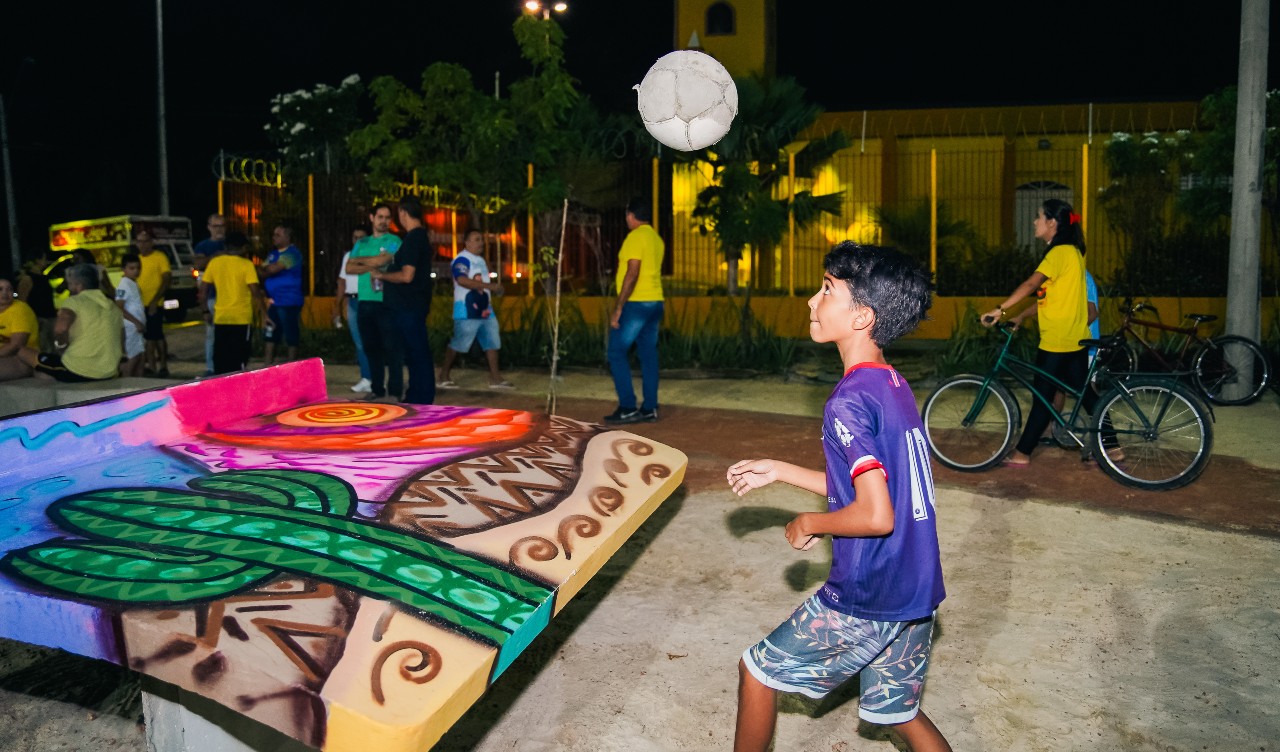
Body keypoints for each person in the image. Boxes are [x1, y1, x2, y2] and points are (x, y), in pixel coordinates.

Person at [726, 242, 949, 752]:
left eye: (827, 290)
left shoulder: (847, 401)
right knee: (899, 713)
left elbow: (875, 514)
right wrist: (780, 470)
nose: (812, 300)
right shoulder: (891, 384)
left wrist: (809, 522)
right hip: (916, 589)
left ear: (861, 317)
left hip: (870, 594)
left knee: (757, 674)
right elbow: (873, 486)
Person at [981, 199, 1092, 466]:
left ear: (1052, 223)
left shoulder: (1058, 253)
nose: (1035, 221)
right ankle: (1113, 447)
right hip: (1073, 336)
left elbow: (1032, 283)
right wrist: (1020, 316)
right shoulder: (1073, 252)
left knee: (1043, 395)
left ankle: (1023, 452)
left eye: (1039, 216)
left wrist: (1000, 310)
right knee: (1088, 395)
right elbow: (1048, 298)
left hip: (1057, 340)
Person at [603, 196, 664, 425]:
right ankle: (650, 408)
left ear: (631, 215)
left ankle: (628, 407)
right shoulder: (656, 239)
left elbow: (633, 272)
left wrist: (619, 307)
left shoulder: (635, 237)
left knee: (616, 352)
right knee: (648, 356)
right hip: (655, 302)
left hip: (636, 304)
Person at [370, 196, 435, 405]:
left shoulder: (414, 238)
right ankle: (417, 394)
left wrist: (382, 276)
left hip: (409, 307)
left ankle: (421, 397)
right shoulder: (418, 237)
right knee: (415, 353)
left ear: (403, 213)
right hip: (411, 306)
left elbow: (407, 275)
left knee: (417, 353)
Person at [435, 229, 513, 390]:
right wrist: (489, 286)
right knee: (459, 343)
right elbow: (462, 280)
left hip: (485, 310)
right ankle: (443, 375)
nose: (480, 243)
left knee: (492, 342)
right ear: (467, 242)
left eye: (481, 240)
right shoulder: (462, 260)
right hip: (467, 310)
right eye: (476, 240)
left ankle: (495, 378)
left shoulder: (480, 260)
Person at [19, 263, 122, 382]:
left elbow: (60, 328)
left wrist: (60, 346)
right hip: (109, 372)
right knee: (45, 371)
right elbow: (121, 339)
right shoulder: (113, 307)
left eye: (69, 284)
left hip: (78, 370)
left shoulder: (74, 301)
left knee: (22, 351)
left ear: (78, 285)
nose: (68, 287)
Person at [345, 204, 404, 400]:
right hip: (364, 302)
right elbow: (349, 268)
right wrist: (374, 260)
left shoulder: (394, 240)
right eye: (380, 217)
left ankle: (395, 390)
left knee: (392, 348)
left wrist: (363, 261)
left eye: (388, 217)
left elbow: (384, 260)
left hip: (386, 302)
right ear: (372, 217)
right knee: (371, 348)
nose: (384, 221)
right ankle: (377, 389)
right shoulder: (361, 242)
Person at [200, 232, 263, 375]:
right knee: (239, 358)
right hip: (241, 318)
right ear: (243, 248)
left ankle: (220, 389)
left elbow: (203, 291)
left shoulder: (215, 263)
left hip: (221, 317)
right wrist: (264, 315)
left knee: (221, 358)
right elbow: (255, 292)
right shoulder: (247, 265)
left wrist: (205, 312)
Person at [261, 224, 304, 365]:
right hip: (275, 301)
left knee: (291, 334)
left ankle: (292, 366)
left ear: (287, 237)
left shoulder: (292, 254)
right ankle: (268, 366)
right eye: (274, 234)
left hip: (288, 301)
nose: (274, 237)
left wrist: (267, 269)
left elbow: (272, 269)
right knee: (271, 333)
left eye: (278, 235)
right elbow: (263, 270)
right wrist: (267, 269)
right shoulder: (273, 254)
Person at [336, 226, 372, 393]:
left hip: (368, 301)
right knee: (359, 342)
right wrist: (337, 307)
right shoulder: (348, 257)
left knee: (370, 341)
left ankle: (372, 377)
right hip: (352, 301)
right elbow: (342, 282)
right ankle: (366, 377)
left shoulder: (374, 257)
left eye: (361, 238)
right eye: (354, 237)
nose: (357, 241)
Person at [135, 229, 172, 377]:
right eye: (140, 241)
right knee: (147, 338)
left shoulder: (159, 257)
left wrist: (155, 301)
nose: (143, 245)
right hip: (139, 305)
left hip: (154, 304)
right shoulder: (137, 260)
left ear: (151, 242)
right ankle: (152, 366)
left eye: (145, 241)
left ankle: (163, 366)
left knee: (157, 337)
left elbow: (166, 279)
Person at [194, 213, 228, 375]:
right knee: (212, 335)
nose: (219, 229)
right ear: (209, 227)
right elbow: (198, 264)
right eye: (216, 226)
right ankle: (211, 368)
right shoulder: (203, 246)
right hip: (213, 296)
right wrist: (215, 257)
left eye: (222, 225)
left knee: (229, 334)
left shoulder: (231, 244)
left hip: (230, 296)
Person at [0, 276, 39, 381]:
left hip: (22, 358)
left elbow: (16, 345)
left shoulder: (20, 309)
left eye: (9, 289)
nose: (5, 293)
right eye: (0, 289)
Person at [113, 253, 147, 377]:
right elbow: (119, 307)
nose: (136, 271)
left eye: (138, 268)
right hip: (131, 328)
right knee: (132, 358)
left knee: (140, 358)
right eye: (131, 268)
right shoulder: (124, 285)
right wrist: (136, 322)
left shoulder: (133, 283)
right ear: (124, 269)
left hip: (137, 329)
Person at [17, 254, 56, 353]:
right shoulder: (28, 279)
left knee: (52, 349)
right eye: (44, 259)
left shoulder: (43, 277)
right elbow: (22, 301)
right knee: (42, 349)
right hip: (39, 319)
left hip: (49, 317)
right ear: (37, 261)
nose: (46, 261)